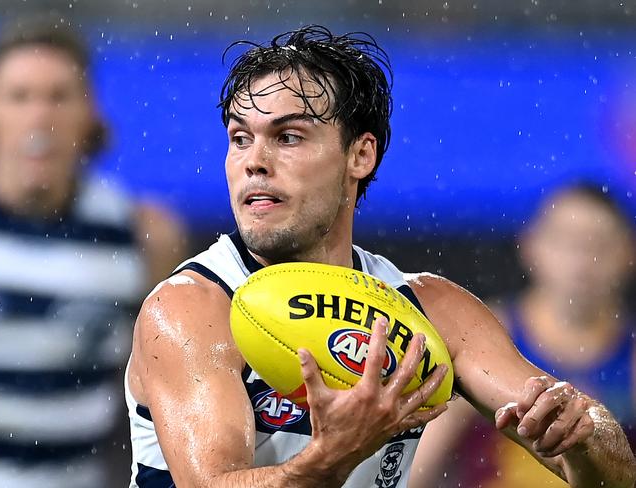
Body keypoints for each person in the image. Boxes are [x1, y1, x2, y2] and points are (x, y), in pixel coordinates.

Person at [125, 26, 636, 488]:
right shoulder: (191, 309)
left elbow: (608, 467)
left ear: (360, 155)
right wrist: (332, 455)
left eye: (288, 137)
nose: (254, 162)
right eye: (240, 139)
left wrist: (587, 437)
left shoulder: (433, 311)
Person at [0, 15, 188, 488]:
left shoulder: (147, 236)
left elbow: (166, 395)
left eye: (58, 96)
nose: (39, 117)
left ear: (90, 113)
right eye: (20, 96)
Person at [410, 183, 636, 488]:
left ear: (627, 253)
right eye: (567, 243)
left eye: (598, 245)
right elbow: (416, 470)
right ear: (531, 246)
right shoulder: (480, 337)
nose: (581, 263)